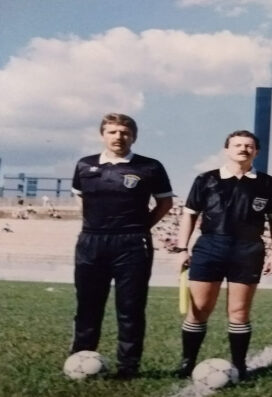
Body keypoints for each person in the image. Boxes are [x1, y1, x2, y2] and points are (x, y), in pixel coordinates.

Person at [70, 113, 174, 379]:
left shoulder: (149, 167)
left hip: (132, 243)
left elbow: (165, 204)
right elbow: (81, 200)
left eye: (124, 132)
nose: (119, 137)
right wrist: (95, 226)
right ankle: (80, 359)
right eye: (113, 132)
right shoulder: (85, 165)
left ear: (134, 136)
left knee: (130, 308)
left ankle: (128, 368)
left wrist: (140, 227)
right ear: (103, 135)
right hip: (91, 241)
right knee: (87, 306)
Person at [174, 130, 272, 379]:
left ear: (256, 151)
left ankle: (239, 365)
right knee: (199, 309)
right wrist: (182, 249)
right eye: (237, 145)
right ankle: (187, 362)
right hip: (210, 246)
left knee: (239, 312)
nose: (243, 149)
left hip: (248, 250)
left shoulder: (266, 183)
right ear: (227, 149)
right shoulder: (206, 179)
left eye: (249, 146)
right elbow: (189, 215)